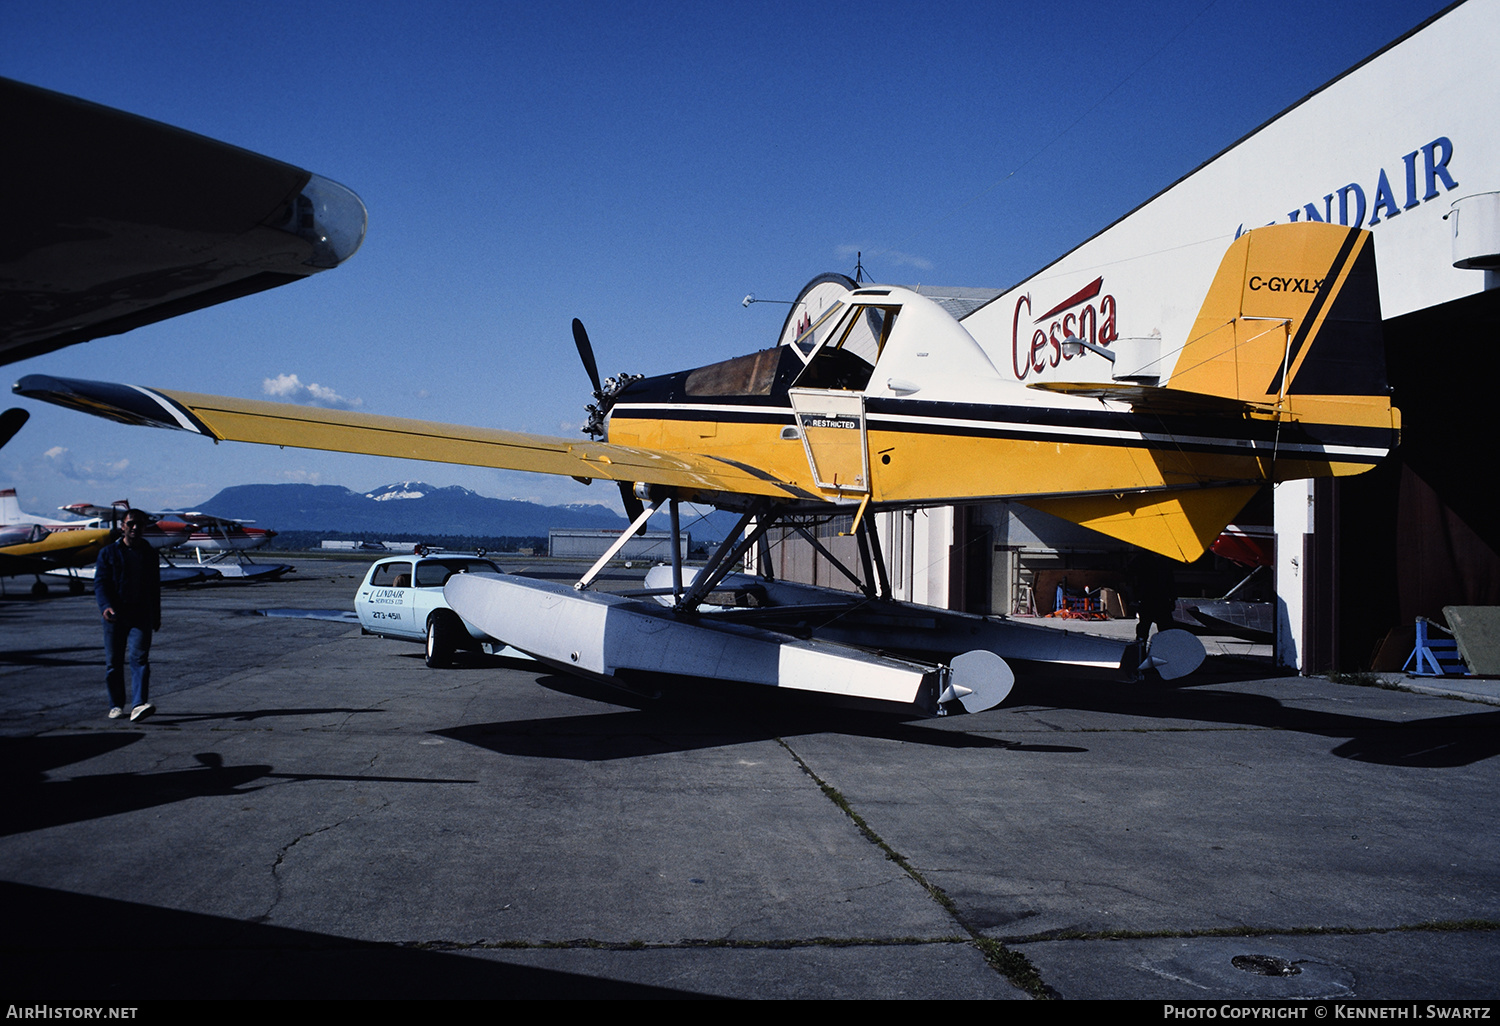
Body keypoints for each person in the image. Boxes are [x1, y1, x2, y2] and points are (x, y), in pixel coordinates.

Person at [95, 508, 161, 722]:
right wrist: (105, 606)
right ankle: (115, 704)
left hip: (141, 614)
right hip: (115, 615)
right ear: (122, 526)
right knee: (113, 662)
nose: (135, 528)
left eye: (139, 524)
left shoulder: (149, 553)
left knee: (140, 658)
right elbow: (101, 583)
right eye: (131, 523)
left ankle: (138, 704)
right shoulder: (108, 553)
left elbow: (154, 587)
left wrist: (156, 615)